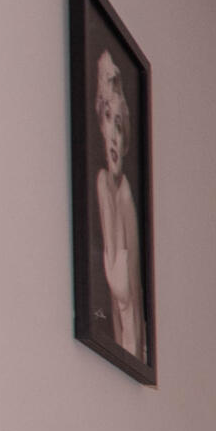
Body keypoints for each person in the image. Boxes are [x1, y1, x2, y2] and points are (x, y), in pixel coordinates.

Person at [92, 47, 142, 357]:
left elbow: (128, 293)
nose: (113, 134)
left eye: (120, 124)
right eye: (109, 119)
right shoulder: (103, 186)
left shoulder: (124, 194)